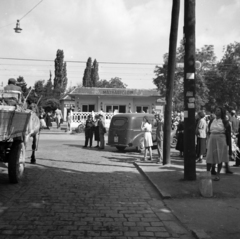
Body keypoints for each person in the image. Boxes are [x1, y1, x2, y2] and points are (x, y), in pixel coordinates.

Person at [206, 106, 233, 181]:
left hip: (221, 139)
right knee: (209, 156)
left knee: (219, 157)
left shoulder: (225, 121)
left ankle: (218, 174)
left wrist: (228, 145)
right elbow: (208, 130)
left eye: (218, 110)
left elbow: (228, 133)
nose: (216, 111)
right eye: (216, 110)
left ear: (222, 112)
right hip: (212, 138)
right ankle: (207, 174)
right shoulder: (212, 120)